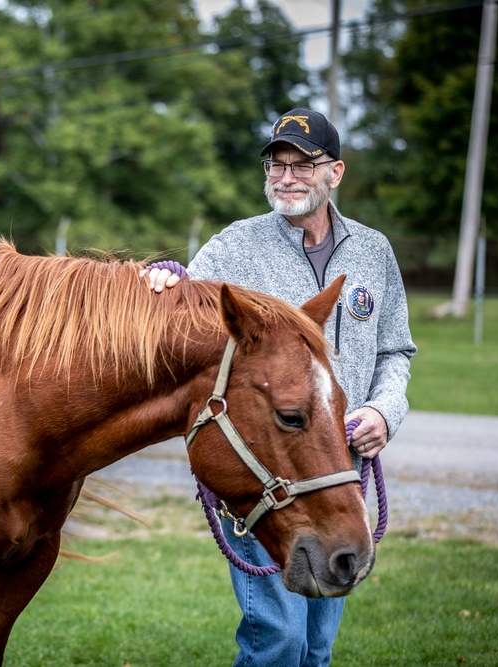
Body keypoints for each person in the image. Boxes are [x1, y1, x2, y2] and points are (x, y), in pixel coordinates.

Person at [145, 108, 416, 666]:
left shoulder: (373, 251)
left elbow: (395, 351)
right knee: (279, 640)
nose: (285, 178)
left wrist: (385, 413)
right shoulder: (236, 246)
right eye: (276, 165)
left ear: (334, 173)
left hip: (339, 469)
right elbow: (185, 310)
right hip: (270, 470)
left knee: (317, 647)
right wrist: (167, 276)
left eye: (301, 166)